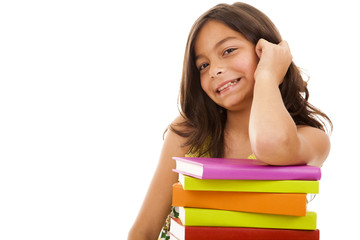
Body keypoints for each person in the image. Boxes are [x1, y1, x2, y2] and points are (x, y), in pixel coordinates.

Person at [128, 2, 332, 240]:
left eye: (228, 51)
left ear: (265, 52)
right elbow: (142, 233)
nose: (214, 70)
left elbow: (272, 145)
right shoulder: (188, 134)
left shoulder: (311, 138)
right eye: (203, 65)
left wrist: (267, 76)